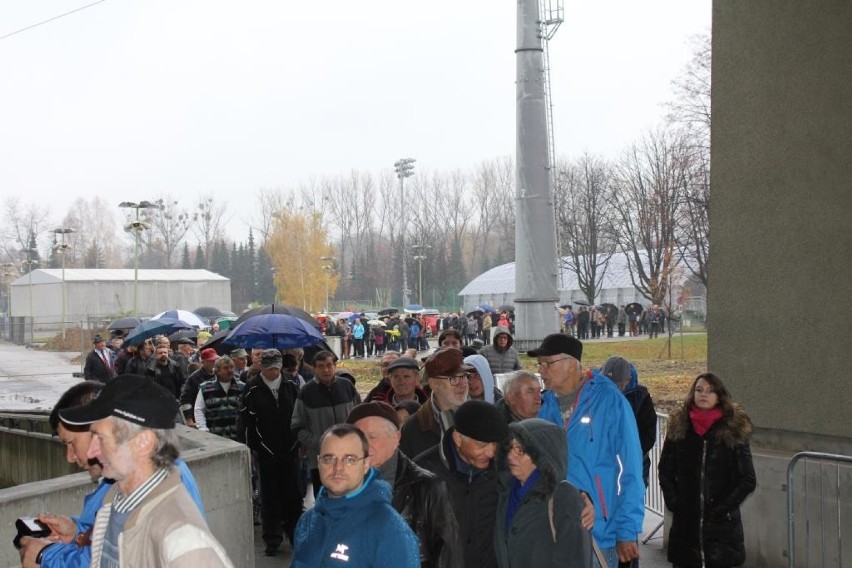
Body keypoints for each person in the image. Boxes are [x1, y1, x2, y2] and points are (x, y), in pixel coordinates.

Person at [18, 380, 205, 568]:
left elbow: (116, 557)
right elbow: (112, 539)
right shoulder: (127, 480)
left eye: (72, 443)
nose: (71, 457)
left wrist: (45, 556)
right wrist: (78, 531)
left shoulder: (154, 495)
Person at [58, 375, 232, 567]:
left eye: (100, 438)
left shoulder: (183, 540)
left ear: (143, 442)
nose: (91, 452)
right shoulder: (114, 507)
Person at [533, 333, 644, 567]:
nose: (541, 371)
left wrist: (626, 528)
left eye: (547, 363)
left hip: (599, 533)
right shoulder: (545, 407)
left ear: (572, 364)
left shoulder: (609, 401)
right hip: (555, 530)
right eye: (539, 364)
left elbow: (631, 467)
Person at [658, 372, 757, 568]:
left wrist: (723, 509)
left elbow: (747, 479)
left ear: (719, 396)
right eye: (699, 390)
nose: (704, 394)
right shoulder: (680, 427)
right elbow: (665, 471)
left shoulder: (733, 430)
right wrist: (676, 503)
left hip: (722, 531)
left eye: (710, 391)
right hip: (686, 529)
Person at [347, 402, 463, 568]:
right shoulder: (340, 486)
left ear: (397, 437)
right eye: (358, 438)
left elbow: (448, 557)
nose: (364, 445)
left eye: (372, 437)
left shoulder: (427, 488)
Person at [291, 424, 420, 567]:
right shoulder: (307, 523)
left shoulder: (390, 530)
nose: (338, 468)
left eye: (350, 459)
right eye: (329, 459)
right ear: (319, 462)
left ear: (365, 464)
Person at [415, 400, 508, 568]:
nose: (491, 452)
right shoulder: (423, 474)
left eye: (495, 444)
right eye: (482, 445)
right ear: (458, 439)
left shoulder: (503, 470)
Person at [495, 418, 592, 568]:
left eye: (520, 450)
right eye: (510, 447)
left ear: (543, 457)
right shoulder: (503, 490)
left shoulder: (564, 499)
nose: (511, 456)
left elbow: (577, 561)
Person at [238, 349, 302, 556]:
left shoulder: (292, 384)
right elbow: (246, 423)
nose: (273, 373)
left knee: (293, 495)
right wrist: (252, 449)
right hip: (265, 451)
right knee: (270, 496)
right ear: (262, 368)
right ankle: (272, 538)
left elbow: (300, 414)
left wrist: (298, 442)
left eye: (276, 368)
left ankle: (295, 535)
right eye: (268, 369)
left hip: (290, 449)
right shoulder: (252, 389)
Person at [290, 350, 362, 496]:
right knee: (324, 501)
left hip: (349, 457)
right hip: (321, 460)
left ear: (335, 366)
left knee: (351, 498)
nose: (326, 370)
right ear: (314, 368)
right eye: (321, 366)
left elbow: (360, 415)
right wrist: (316, 442)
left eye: (329, 365)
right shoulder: (306, 392)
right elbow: (297, 425)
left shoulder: (347, 386)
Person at [400, 348, 472, 459]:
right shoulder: (414, 427)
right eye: (453, 378)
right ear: (433, 384)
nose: (462, 384)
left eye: (464, 376)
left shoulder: (481, 417)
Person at [600, 356, 657, 488]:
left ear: (627, 380)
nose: (613, 389)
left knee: (633, 496)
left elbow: (648, 430)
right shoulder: (595, 389)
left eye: (617, 385)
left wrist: (633, 451)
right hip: (604, 460)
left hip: (635, 459)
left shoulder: (641, 395)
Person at [194, 355, 245, 441]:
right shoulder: (206, 388)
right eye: (225, 368)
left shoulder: (242, 387)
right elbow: (199, 409)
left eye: (231, 367)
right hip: (215, 436)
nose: (230, 370)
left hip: (239, 437)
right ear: (217, 371)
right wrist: (203, 429)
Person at [179, 347, 218, 425]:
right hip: (199, 417)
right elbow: (185, 399)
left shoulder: (219, 374)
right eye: (211, 361)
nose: (214, 362)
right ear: (203, 362)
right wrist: (189, 419)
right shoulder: (194, 378)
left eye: (216, 360)